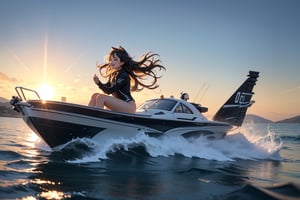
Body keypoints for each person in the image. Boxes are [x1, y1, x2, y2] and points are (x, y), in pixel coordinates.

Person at [88, 46, 165, 113]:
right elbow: (107, 87)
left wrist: (99, 84)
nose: (111, 62)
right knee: (95, 95)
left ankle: (96, 119)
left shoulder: (123, 75)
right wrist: (98, 82)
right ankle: (87, 116)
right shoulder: (113, 74)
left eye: (115, 59)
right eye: (110, 59)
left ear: (121, 62)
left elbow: (110, 90)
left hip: (128, 106)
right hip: (120, 103)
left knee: (101, 97)